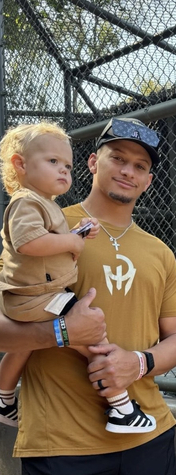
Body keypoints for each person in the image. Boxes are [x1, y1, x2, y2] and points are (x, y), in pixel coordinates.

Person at [13, 116, 176, 475]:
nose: (129, 172)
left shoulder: (160, 252)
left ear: (149, 178)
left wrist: (139, 363)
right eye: (119, 158)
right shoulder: (42, 224)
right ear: (93, 162)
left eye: (141, 166)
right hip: (64, 437)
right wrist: (64, 333)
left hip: (144, 429)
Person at [0, 121, 156, 434]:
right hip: (37, 295)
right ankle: (122, 407)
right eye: (53, 162)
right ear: (20, 165)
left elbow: (47, 242)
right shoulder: (27, 201)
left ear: (148, 181)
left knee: (52, 338)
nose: (63, 171)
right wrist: (73, 241)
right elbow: (28, 242)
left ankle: (3, 397)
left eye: (66, 165)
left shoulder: (45, 205)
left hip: (39, 292)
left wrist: (75, 234)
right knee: (93, 337)